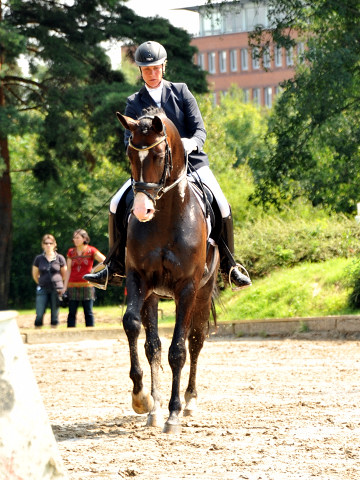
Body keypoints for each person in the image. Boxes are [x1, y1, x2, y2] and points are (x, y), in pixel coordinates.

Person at [84, 40, 251, 290]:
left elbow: (199, 130)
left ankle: (230, 265)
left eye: (156, 68)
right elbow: (127, 139)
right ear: (140, 71)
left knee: (222, 203)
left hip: (189, 164)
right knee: (116, 203)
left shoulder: (181, 92)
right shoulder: (133, 102)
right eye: (146, 69)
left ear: (164, 67)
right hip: (150, 171)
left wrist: (188, 144)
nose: (152, 74)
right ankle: (114, 265)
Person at [63, 229, 106, 328]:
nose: (75, 239)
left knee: (88, 312)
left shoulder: (91, 250)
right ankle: (70, 334)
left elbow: (104, 261)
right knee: (72, 312)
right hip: (72, 285)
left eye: (77, 237)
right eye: (74, 238)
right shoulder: (71, 252)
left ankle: (91, 333)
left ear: (84, 238)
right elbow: (68, 270)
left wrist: (93, 271)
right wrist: (64, 287)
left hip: (87, 285)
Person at [32, 234, 67, 328]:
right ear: (42, 245)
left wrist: (59, 283)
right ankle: (37, 331)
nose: (48, 245)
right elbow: (35, 275)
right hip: (42, 288)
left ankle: (54, 332)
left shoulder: (60, 258)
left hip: (57, 289)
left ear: (54, 244)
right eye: (46, 243)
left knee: (55, 314)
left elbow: (64, 274)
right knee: (39, 312)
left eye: (50, 243)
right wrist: (40, 282)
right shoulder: (39, 259)